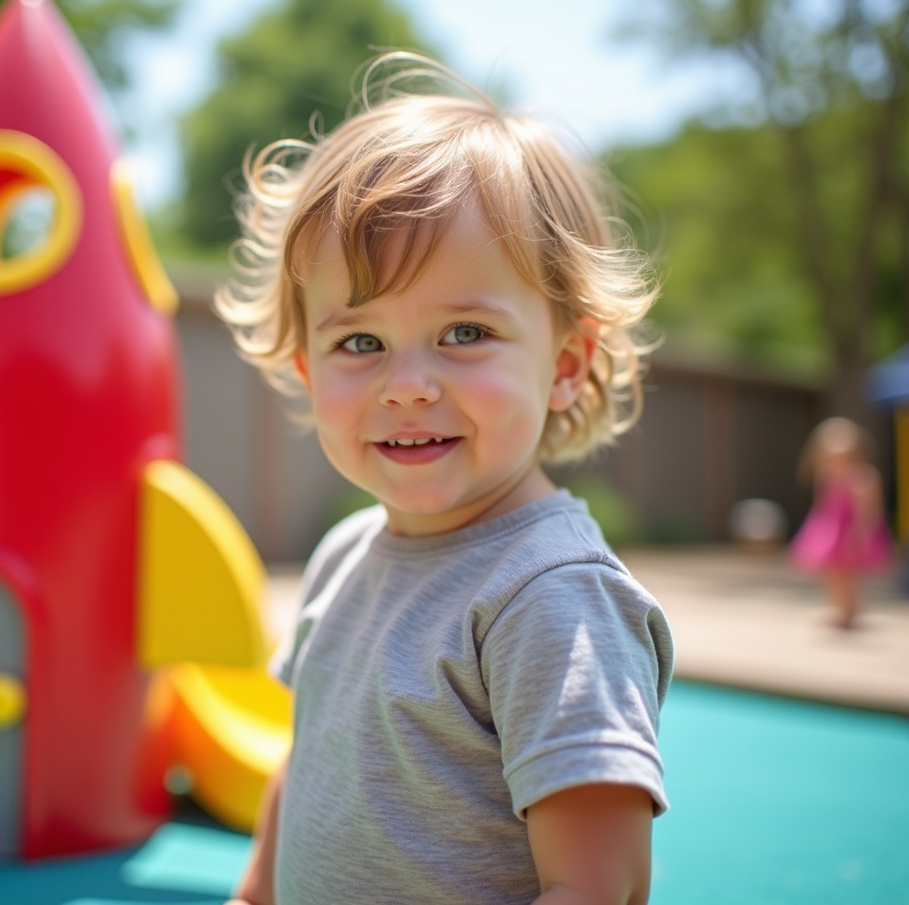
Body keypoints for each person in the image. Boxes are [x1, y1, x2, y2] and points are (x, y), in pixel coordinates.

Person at [214, 52, 674, 905]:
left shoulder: (550, 598)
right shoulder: (346, 552)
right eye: (360, 343)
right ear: (310, 377)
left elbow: (593, 886)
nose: (407, 383)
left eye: (464, 332)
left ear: (567, 364)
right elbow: (308, 761)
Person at [789, 416, 895, 629]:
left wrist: (862, 534)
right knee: (832, 573)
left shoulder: (863, 479)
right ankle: (839, 609)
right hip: (830, 533)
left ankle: (850, 610)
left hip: (850, 533)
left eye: (843, 458)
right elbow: (822, 507)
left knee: (848, 574)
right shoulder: (826, 477)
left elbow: (869, 512)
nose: (836, 464)